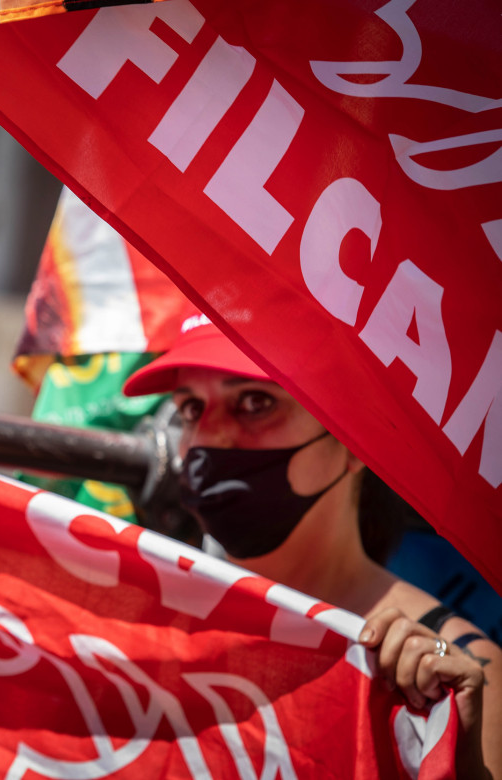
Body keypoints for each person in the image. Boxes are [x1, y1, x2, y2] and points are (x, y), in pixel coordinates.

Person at [122, 314, 501, 778]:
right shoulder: (131, 619)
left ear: (356, 438)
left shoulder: (461, 673)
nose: (208, 437)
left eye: (255, 402)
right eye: (190, 409)